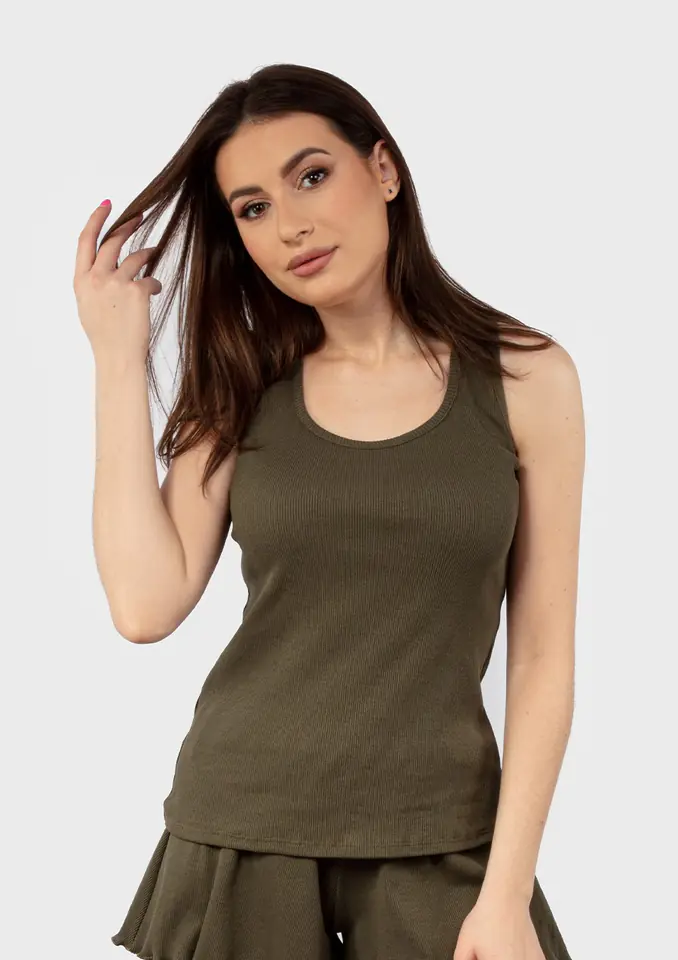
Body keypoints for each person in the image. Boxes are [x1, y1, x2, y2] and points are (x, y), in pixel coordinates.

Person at [74, 62, 584, 959]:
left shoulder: (526, 378)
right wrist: (117, 360)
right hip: (243, 829)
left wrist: (506, 893)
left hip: (444, 837)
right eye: (253, 208)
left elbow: (542, 653)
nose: (290, 225)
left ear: (383, 170)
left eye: (311, 175)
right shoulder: (239, 384)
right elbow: (145, 606)